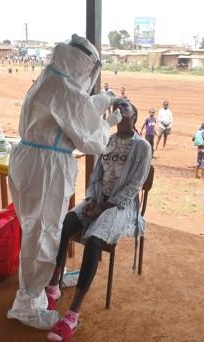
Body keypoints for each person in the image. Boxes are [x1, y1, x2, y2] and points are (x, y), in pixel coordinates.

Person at [7, 34, 122, 330]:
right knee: (43, 233)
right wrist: (108, 124)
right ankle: (29, 305)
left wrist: (105, 100)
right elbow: (91, 140)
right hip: (46, 169)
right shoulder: (64, 88)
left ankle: (29, 293)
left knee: (34, 231)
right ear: (85, 67)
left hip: (30, 161)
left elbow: (75, 108)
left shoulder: (51, 78)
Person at [45, 100, 152, 341]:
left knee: (94, 239)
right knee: (68, 222)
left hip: (121, 205)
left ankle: (72, 314)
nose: (121, 111)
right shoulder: (107, 140)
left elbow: (135, 185)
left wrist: (104, 207)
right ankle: (53, 285)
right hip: (98, 199)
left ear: (135, 116)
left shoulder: (142, 147)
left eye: (127, 108)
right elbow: (96, 176)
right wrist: (92, 200)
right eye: (118, 108)